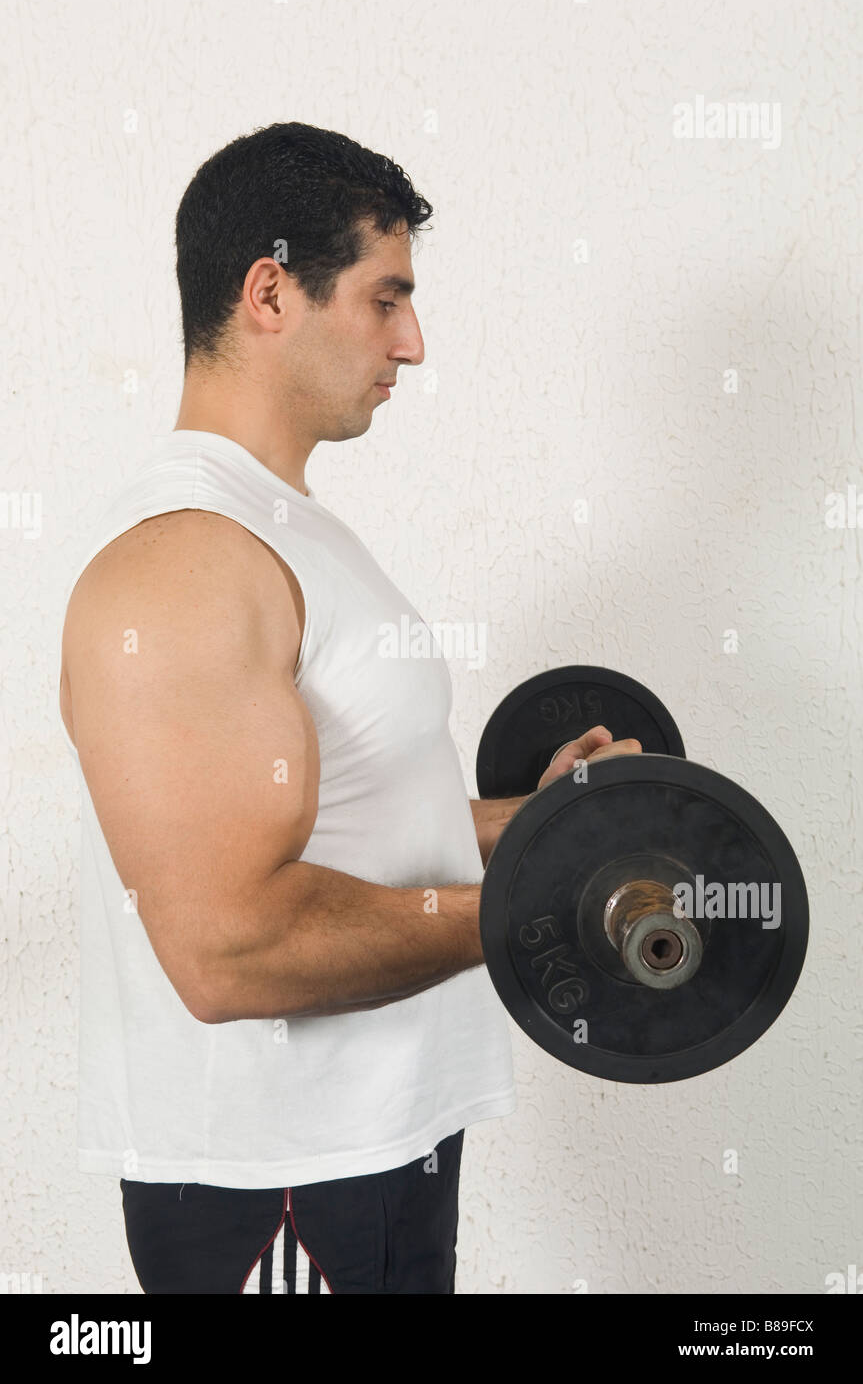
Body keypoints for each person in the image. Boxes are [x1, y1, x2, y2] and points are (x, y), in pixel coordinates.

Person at [58, 121, 639, 1295]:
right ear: (270, 292)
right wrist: (543, 905)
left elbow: (351, 813)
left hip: (380, 1142)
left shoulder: (286, 526)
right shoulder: (184, 560)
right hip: (273, 1185)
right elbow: (233, 945)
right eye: (386, 298)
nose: (412, 343)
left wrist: (541, 822)